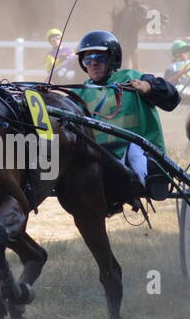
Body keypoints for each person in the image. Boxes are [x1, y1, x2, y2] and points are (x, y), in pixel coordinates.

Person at [73, 30, 180, 202]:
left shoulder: (132, 78)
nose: (93, 63)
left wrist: (147, 87)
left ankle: (152, 180)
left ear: (113, 59)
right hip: (100, 159)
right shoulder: (79, 92)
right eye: (87, 59)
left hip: (140, 153)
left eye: (99, 58)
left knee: (134, 149)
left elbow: (173, 99)